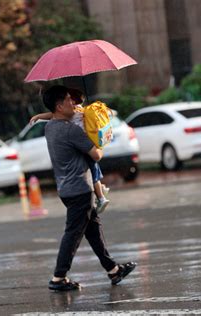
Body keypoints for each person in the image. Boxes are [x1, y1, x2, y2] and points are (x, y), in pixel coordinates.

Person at [42, 85, 136, 291]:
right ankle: (58, 277)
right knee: (73, 234)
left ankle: (113, 269)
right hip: (80, 189)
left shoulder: (50, 128)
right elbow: (96, 155)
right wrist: (101, 135)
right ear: (59, 106)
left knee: (93, 230)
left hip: (66, 188)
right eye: (68, 100)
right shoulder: (70, 130)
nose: (72, 103)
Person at [30, 88, 110, 214]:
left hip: (71, 183)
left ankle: (101, 195)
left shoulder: (56, 126)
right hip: (81, 180)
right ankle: (100, 192)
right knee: (94, 172)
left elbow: (53, 114)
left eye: (72, 99)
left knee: (94, 173)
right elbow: (53, 114)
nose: (72, 102)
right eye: (69, 99)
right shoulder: (78, 114)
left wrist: (39, 116)